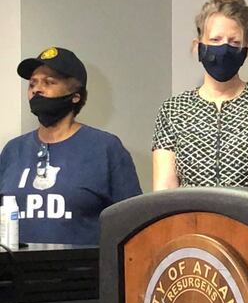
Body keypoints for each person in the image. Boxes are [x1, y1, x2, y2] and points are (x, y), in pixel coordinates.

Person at [0, 47, 142, 245]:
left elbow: (133, 223)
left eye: (48, 82)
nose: (36, 89)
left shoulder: (105, 148)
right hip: (17, 272)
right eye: (32, 83)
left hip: (82, 272)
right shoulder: (13, 151)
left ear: (76, 96)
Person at [152, 0, 248, 190]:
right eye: (216, 40)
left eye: (234, 42)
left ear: (247, 50)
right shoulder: (172, 110)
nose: (224, 49)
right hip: (189, 220)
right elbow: (164, 190)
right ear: (198, 46)